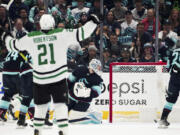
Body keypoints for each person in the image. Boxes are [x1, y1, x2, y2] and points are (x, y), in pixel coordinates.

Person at [1, 14, 99, 135]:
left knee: (40, 106)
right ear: (53, 24)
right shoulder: (61, 33)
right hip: (58, 78)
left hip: (40, 79)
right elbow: (82, 33)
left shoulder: (30, 37)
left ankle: (37, 130)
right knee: (60, 105)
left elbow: (13, 46)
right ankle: (63, 130)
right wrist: (93, 22)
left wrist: (6, 37)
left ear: (40, 24)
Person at [67, 59, 103, 124]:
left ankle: (92, 117)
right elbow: (69, 80)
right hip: (71, 97)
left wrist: (86, 92)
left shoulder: (98, 78)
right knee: (60, 116)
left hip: (84, 102)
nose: (99, 69)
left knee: (73, 119)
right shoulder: (80, 70)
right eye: (97, 67)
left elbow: (97, 92)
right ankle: (91, 113)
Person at [158, 47, 180, 128]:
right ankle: (163, 119)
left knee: (171, 99)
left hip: (175, 77)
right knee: (171, 99)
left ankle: (163, 119)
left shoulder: (174, 51)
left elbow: (167, 67)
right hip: (175, 76)